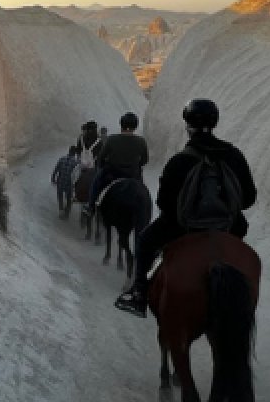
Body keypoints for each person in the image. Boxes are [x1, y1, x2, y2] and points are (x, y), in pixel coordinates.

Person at [114, 98, 256, 317]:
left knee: (144, 241)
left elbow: (164, 204)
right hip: (229, 229)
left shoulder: (180, 161)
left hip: (183, 229)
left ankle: (139, 294)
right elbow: (249, 198)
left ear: (188, 125)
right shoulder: (234, 155)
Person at [86, 112, 149, 213]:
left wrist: (102, 166)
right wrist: (135, 165)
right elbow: (145, 160)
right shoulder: (141, 141)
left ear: (121, 125)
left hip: (112, 174)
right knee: (143, 191)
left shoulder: (111, 139)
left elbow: (101, 158)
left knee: (96, 182)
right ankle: (146, 211)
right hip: (133, 175)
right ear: (135, 126)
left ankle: (91, 207)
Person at [51, 146, 80, 218]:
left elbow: (55, 170)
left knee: (60, 195)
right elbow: (77, 176)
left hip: (60, 181)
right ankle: (67, 213)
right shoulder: (76, 163)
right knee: (69, 198)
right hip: (69, 184)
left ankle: (61, 209)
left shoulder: (62, 159)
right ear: (75, 153)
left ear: (69, 151)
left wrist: (53, 178)